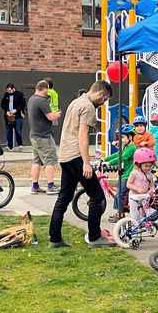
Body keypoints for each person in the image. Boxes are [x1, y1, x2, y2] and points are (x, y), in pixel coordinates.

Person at [49, 80, 114, 248]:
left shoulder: (75, 102)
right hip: (76, 156)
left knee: (64, 198)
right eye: (105, 99)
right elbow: (83, 136)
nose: (104, 103)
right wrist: (86, 163)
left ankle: (54, 239)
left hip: (65, 155)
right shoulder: (88, 107)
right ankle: (94, 237)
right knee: (97, 195)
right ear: (100, 94)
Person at [28, 80, 61, 194]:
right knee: (49, 161)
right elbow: (50, 116)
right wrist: (57, 114)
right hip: (44, 136)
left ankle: (35, 185)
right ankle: (50, 186)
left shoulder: (31, 99)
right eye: (47, 90)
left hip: (34, 135)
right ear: (45, 89)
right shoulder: (42, 101)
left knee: (36, 161)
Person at [104, 125, 137, 220]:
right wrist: (105, 159)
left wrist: (109, 163)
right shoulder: (126, 146)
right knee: (119, 191)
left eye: (122, 137)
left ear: (130, 137)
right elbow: (117, 154)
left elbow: (122, 158)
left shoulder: (132, 148)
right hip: (125, 173)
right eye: (119, 137)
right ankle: (119, 211)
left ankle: (120, 213)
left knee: (120, 193)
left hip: (129, 174)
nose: (120, 140)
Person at [127, 147, 157, 219]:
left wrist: (151, 190)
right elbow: (128, 184)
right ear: (138, 164)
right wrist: (137, 189)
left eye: (150, 166)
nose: (148, 168)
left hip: (145, 196)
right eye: (146, 166)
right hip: (134, 196)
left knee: (146, 214)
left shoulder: (149, 175)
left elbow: (152, 185)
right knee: (135, 215)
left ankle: (143, 226)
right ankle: (134, 226)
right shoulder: (134, 173)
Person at [0, 83, 26, 150]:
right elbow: (2, 104)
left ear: (13, 88)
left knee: (18, 130)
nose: (9, 92)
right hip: (8, 116)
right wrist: (7, 111)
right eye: (8, 91)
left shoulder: (19, 94)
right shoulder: (6, 95)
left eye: (10, 90)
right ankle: (9, 146)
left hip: (17, 116)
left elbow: (23, 104)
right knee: (9, 131)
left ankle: (20, 144)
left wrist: (16, 110)